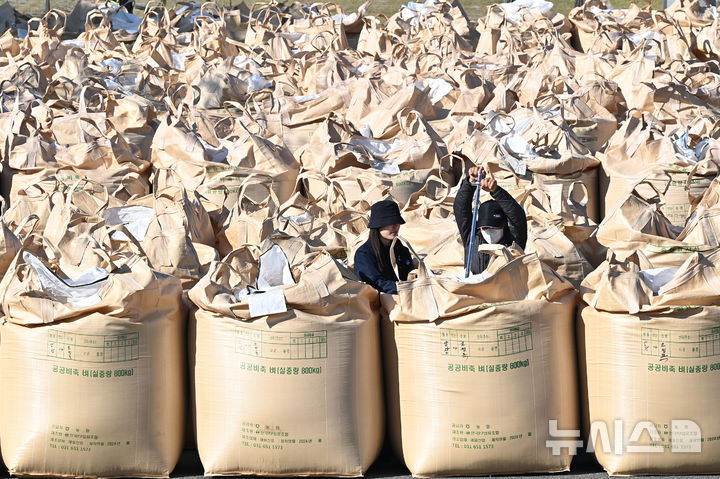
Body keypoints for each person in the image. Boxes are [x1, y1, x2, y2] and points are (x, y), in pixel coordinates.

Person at [454, 166, 527, 274]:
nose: (489, 231)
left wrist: (496, 192)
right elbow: (461, 209)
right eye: (485, 227)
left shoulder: (513, 241)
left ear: (504, 224)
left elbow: (517, 217)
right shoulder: (472, 238)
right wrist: (470, 183)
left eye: (495, 227)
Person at [354, 200, 414, 294]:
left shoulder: (401, 250)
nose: (395, 226)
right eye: (389, 222)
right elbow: (375, 284)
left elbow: (409, 274)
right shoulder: (364, 254)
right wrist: (405, 288)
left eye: (397, 222)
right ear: (377, 226)